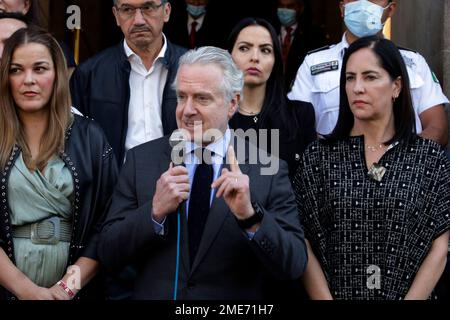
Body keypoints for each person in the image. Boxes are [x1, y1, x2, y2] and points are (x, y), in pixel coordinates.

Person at [98, 46, 307, 299]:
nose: (187, 110)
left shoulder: (268, 168)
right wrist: (154, 211)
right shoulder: (141, 160)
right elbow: (108, 252)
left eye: (201, 98)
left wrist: (250, 216)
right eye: (182, 96)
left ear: (232, 103)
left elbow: (293, 265)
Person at [294, 36, 450, 300]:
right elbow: (303, 240)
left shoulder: (428, 158)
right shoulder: (318, 158)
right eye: (350, 78)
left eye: (370, 77)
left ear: (396, 87)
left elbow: (440, 244)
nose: (357, 88)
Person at [0, 27, 118, 300]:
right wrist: (26, 291)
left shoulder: (90, 137)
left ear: (58, 75)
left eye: (40, 69)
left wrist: (65, 289)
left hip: (78, 289)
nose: (28, 79)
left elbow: (109, 222)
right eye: (16, 70)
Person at [288, 0, 449, 147]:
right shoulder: (313, 63)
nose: (363, 3)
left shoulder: (414, 62)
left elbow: (437, 126)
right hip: (333, 172)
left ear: (390, 9)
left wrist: (403, 158)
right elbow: (295, 126)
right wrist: (334, 158)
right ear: (342, 8)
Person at [70, 0, 186, 165]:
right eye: (127, 9)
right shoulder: (89, 75)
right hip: (115, 186)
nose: (138, 20)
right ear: (116, 16)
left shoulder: (193, 68)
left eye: (148, 8)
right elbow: (77, 146)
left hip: (183, 183)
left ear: (166, 11)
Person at [228, 17, 316, 180]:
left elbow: (310, 182)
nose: (255, 57)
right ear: (229, 56)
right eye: (244, 48)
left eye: (265, 50)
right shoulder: (216, 119)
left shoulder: (300, 115)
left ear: (276, 60)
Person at [276, 0, 327, 91]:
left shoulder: (313, 35)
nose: (284, 10)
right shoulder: (269, 31)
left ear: (300, 8)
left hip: (299, 92)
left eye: (290, 6)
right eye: (281, 6)